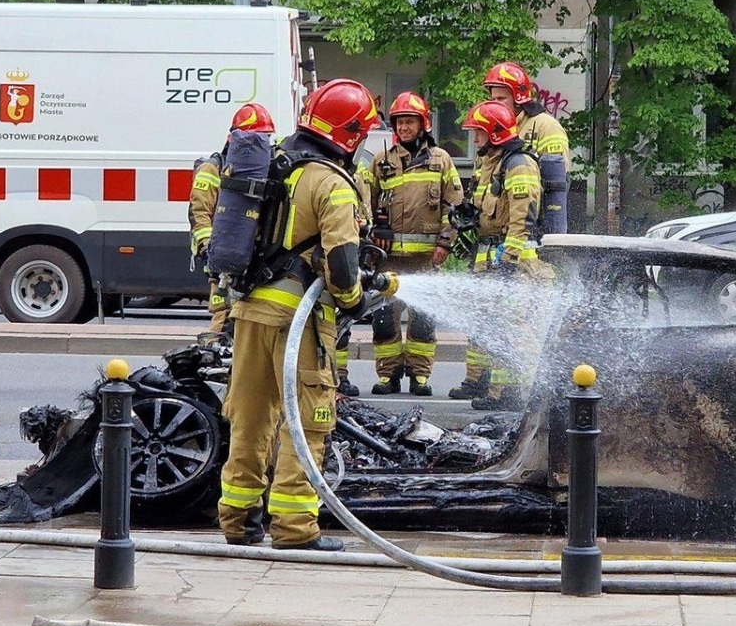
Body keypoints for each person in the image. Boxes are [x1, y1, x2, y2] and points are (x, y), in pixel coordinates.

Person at [216, 78, 382, 551]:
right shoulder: (331, 182)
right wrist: (352, 301)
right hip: (299, 324)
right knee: (307, 422)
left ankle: (238, 520)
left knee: (249, 417)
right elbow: (343, 262)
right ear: (349, 134)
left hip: (249, 312)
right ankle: (293, 529)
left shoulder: (277, 165)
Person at [365, 91, 463, 396]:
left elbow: (455, 207)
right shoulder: (381, 161)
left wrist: (445, 244)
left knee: (423, 323)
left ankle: (420, 376)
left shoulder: (441, 160)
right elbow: (363, 206)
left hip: (426, 261)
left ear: (423, 125)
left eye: (409, 122)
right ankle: (388, 375)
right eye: (399, 122)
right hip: (389, 261)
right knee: (384, 322)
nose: (404, 128)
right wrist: (373, 227)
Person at [456, 98, 550, 412]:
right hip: (491, 258)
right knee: (495, 326)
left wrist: (508, 259)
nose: (474, 139)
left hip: (514, 262)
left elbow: (524, 216)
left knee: (513, 326)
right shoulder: (492, 163)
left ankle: (518, 394)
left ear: (495, 133)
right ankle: (499, 393)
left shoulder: (518, 163)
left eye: (478, 132)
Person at [191, 104, 277, 334]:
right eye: (259, 137)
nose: (263, 144)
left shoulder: (262, 169)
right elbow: (200, 214)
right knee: (224, 322)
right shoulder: (213, 168)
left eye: (266, 138)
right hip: (222, 263)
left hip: (253, 259)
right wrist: (211, 250)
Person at [484, 63, 571, 234]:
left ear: (519, 98)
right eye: (493, 100)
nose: (496, 105)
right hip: (500, 225)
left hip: (532, 228)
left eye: (501, 99)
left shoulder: (546, 126)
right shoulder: (496, 128)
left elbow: (556, 181)